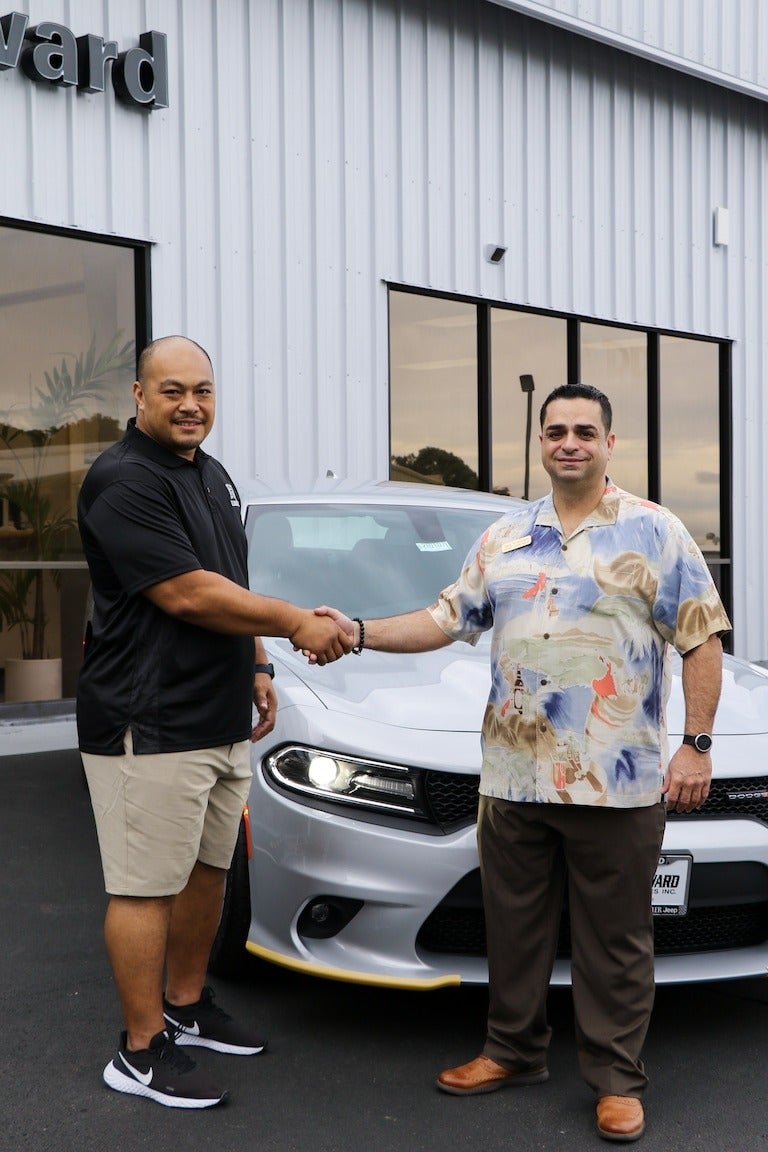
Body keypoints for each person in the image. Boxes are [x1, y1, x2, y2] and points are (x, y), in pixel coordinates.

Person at [313, 383, 730, 1143]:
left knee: (616, 939)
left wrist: (696, 744)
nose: (568, 442)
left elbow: (702, 640)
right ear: (539, 443)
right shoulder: (505, 537)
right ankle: (512, 1052)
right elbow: (443, 619)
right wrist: (360, 630)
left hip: (619, 782)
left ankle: (616, 1081)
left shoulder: (657, 532)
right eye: (555, 431)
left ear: (610, 443)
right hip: (511, 778)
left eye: (584, 431)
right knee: (514, 928)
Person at [77, 335, 352, 1109]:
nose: (191, 404)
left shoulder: (210, 473)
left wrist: (259, 664)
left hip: (218, 713)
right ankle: (137, 1050)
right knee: (142, 888)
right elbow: (189, 594)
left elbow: (231, 578)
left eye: (202, 390)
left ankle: (187, 1006)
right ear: (138, 395)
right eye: (172, 391)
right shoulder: (122, 480)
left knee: (208, 872)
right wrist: (298, 620)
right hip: (148, 720)